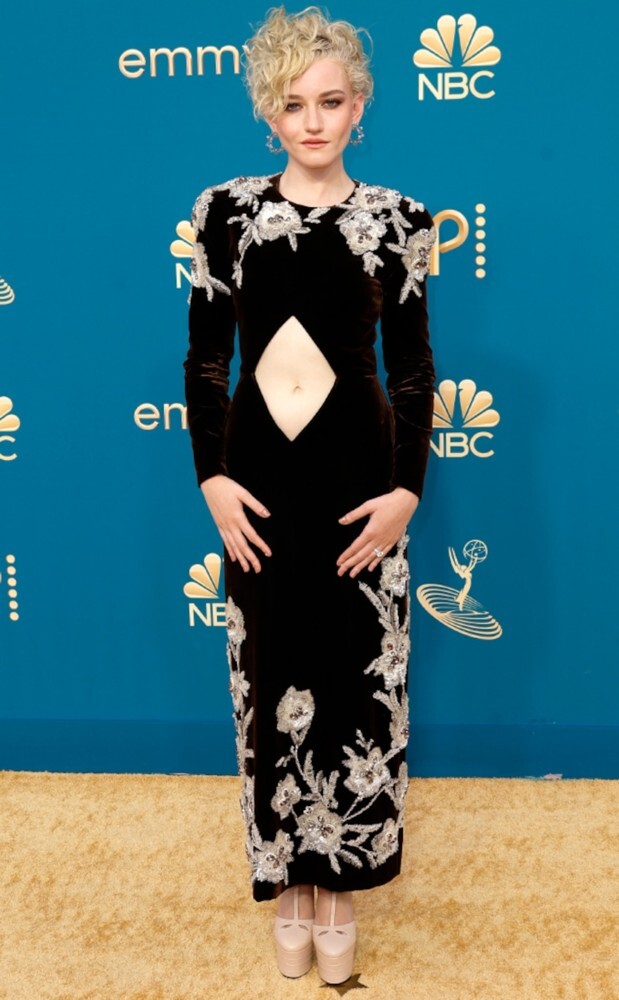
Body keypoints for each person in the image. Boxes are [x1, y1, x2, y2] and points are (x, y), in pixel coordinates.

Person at [183, 3, 437, 985]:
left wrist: (405, 492)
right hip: (257, 492)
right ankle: (287, 887)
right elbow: (207, 361)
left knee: (355, 689)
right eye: (293, 104)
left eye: (330, 101)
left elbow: (411, 370)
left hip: (360, 489)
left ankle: (339, 894)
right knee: (269, 686)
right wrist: (211, 478)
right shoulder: (226, 215)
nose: (313, 120)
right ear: (267, 112)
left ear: (359, 105)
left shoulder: (399, 222)